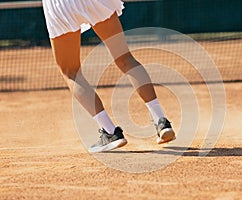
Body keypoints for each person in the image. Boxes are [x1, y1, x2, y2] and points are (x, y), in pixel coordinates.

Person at [42, 0, 175, 152]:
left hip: (59, 5)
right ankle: (161, 121)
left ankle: (111, 133)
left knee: (71, 72)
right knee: (125, 58)